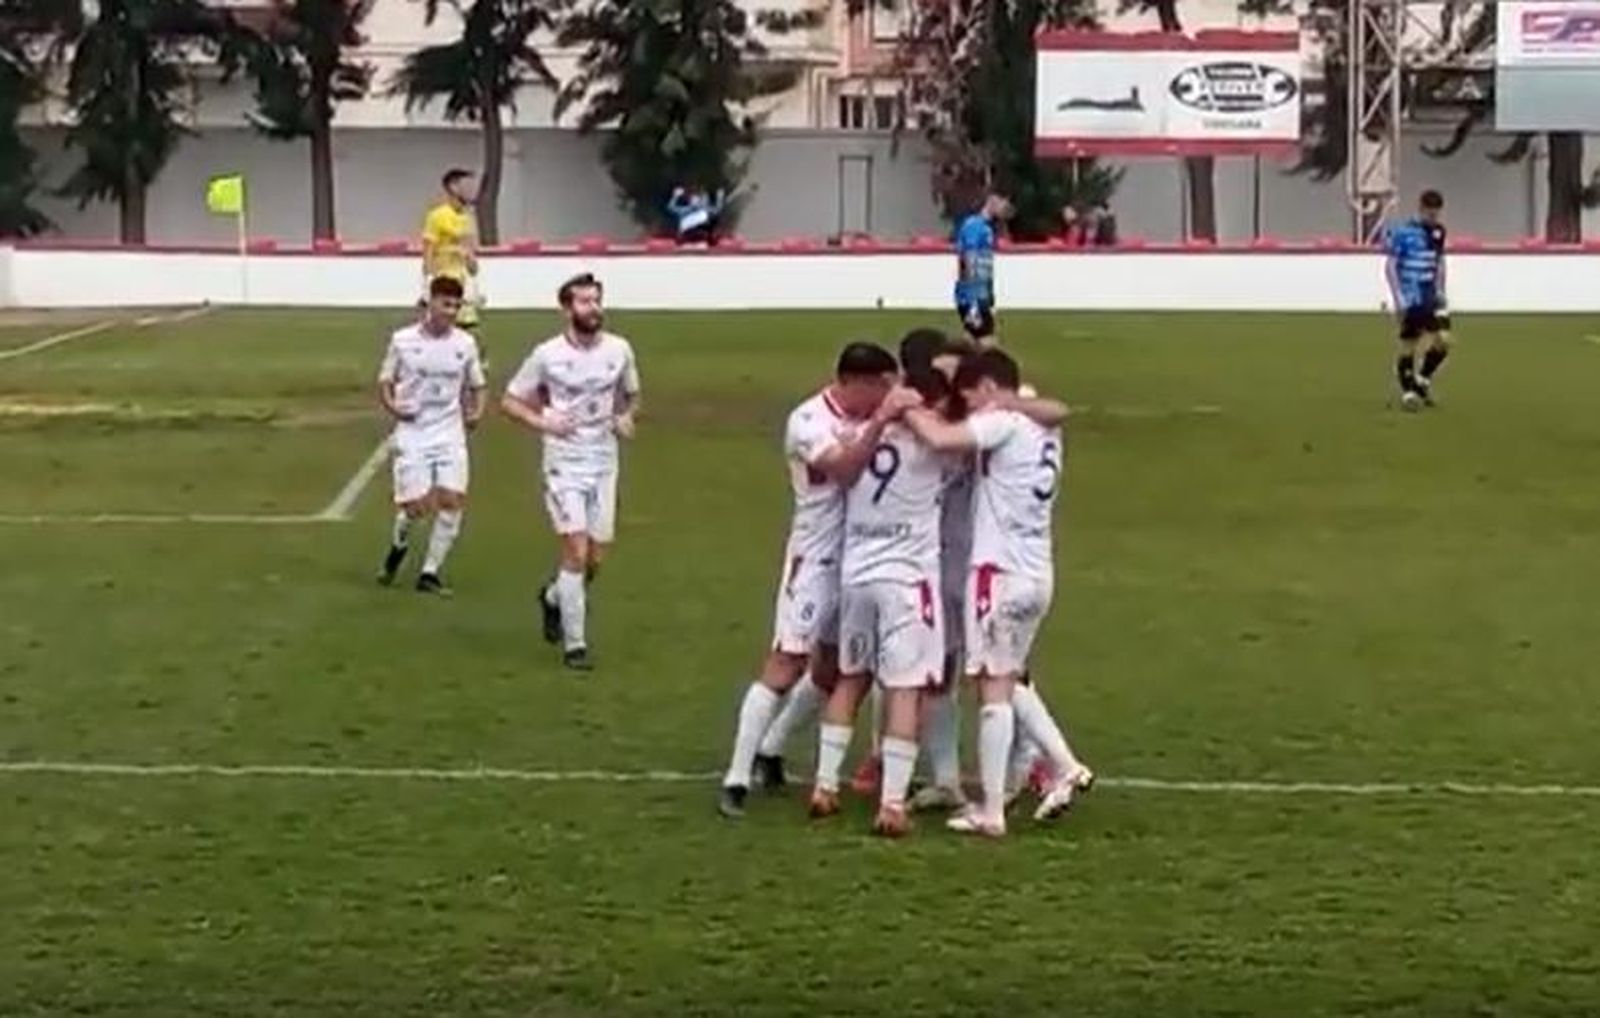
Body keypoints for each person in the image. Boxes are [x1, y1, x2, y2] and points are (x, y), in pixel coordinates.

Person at [901, 348, 1094, 838]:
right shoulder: (1041, 422)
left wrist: (900, 407)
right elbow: (1051, 406)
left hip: (998, 573)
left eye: (971, 395)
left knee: (991, 687)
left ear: (988, 388)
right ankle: (1063, 765)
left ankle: (992, 810)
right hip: (1037, 572)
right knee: (1008, 682)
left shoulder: (1004, 421)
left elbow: (942, 437)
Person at [716, 342, 908, 819]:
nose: (885, 397)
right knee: (786, 662)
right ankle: (736, 778)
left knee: (831, 672)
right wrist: (882, 421)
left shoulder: (872, 416)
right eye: (880, 387)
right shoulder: (807, 421)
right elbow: (843, 470)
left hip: (863, 561)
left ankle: (772, 750)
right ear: (855, 383)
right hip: (816, 558)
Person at [809, 368, 953, 838]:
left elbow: (844, 471)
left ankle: (825, 784)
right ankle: (892, 803)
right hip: (907, 582)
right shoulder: (934, 443)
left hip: (857, 574)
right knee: (905, 689)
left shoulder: (858, 434)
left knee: (851, 680)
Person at [501, 274, 641, 671]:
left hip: (604, 461)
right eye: (584, 302)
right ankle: (575, 645)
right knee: (576, 551)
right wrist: (543, 421)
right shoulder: (546, 355)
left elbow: (631, 395)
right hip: (564, 461)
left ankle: (553, 597)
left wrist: (626, 417)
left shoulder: (619, 349)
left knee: (596, 557)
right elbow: (510, 401)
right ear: (567, 308)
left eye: (596, 300)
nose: (593, 308)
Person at [376, 275, 487, 595]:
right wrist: (395, 409)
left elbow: (478, 385)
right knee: (417, 507)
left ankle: (430, 572)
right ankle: (399, 545)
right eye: (445, 304)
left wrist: (477, 411)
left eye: (456, 305)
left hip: (449, 431)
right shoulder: (402, 340)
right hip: (413, 432)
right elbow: (385, 381)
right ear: (431, 302)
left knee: (452, 500)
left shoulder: (465, 344)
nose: (451, 311)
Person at [1384, 189, 1450, 411]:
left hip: (1431, 295)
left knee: (1443, 340)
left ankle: (1422, 380)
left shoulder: (1439, 233)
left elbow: (1440, 261)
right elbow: (1391, 265)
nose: (1434, 219)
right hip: (1411, 295)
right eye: (1430, 215)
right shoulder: (1403, 232)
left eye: (1437, 215)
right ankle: (1409, 392)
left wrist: (1441, 289)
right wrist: (1398, 297)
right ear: (1421, 209)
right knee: (1409, 345)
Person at [422, 169, 482, 331]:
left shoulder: (467, 218)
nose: (471, 190)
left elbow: (470, 252)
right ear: (453, 187)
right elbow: (428, 249)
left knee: (468, 331)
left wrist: (473, 269)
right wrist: (428, 280)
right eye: (466, 185)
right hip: (444, 281)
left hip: (462, 282)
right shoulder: (437, 216)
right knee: (440, 329)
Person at [954, 192, 1012, 343]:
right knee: (986, 340)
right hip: (974, 294)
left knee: (973, 338)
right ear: (991, 201)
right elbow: (969, 258)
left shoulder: (987, 228)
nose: (1004, 207)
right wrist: (973, 298)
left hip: (981, 292)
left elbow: (984, 263)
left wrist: (989, 292)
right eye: (1002, 202)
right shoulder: (974, 226)